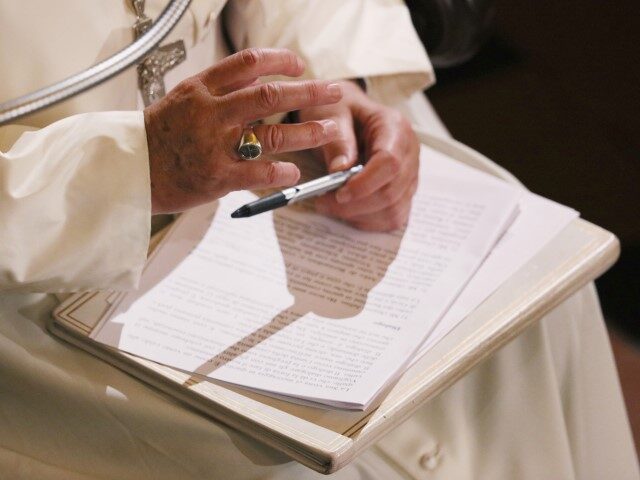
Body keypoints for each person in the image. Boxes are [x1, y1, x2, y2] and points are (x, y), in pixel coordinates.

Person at [0, 1, 637, 478]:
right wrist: (128, 171)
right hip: (42, 253)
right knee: (270, 459)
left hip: (268, 141)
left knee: (533, 298)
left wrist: (325, 83)